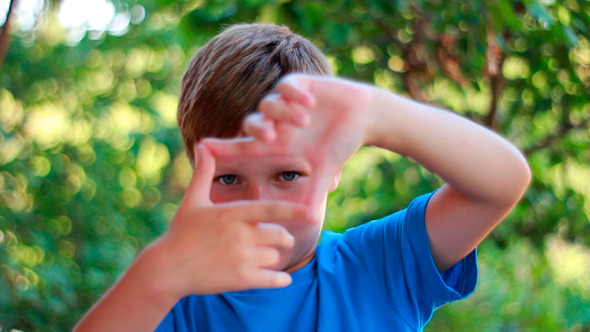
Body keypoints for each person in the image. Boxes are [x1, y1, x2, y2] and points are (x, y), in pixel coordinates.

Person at [74, 24, 531, 331]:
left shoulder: (380, 266)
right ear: (195, 170)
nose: (260, 207)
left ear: (335, 168)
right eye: (229, 179)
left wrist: (375, 115)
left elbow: (501, 183)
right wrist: (158, 275)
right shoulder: (173, 301)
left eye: (288, 174)